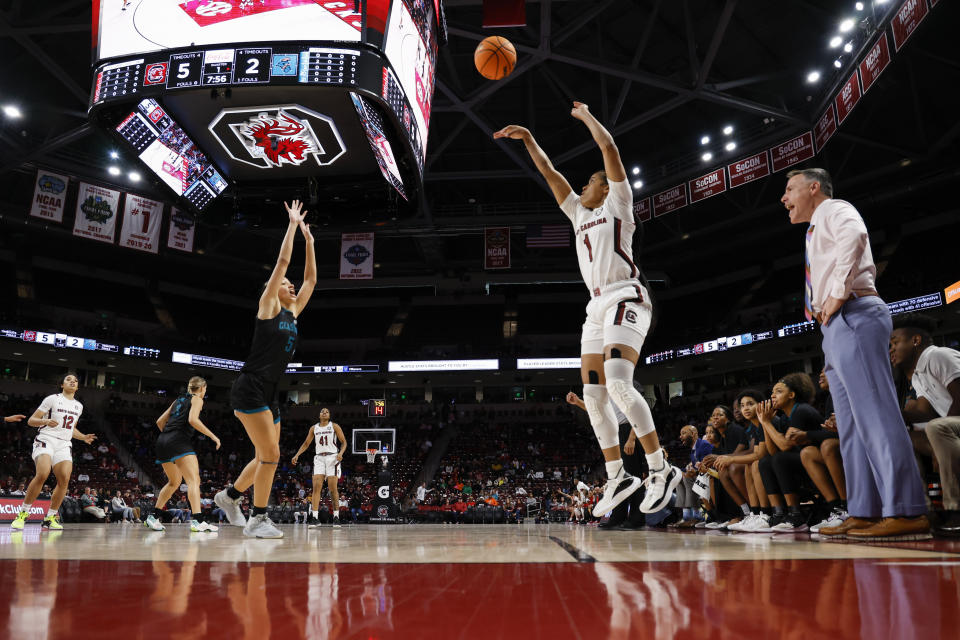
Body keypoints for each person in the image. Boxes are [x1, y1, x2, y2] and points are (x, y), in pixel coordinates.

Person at [494, 102, 679, 516]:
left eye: (593, 181)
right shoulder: (578, 212)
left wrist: (586, 117)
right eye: (590, 183)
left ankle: (660, 468)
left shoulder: (619, 206)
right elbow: (549, 173)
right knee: (594, 398)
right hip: (595, 308)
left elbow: (609, 149)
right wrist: (527, 138)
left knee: (618, 384)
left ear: (607, 188)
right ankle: (618, 476)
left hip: (626, 295)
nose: (585, 186)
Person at [780, 168, 928, 540]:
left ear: (814, 188)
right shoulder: (814, 230)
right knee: (850, 427)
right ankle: (866, 509)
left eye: (789, 189)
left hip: (854, 311)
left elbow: (856, 236)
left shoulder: (834, 209)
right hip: (835, 324)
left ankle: (907, 510)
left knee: (876, 416)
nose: (784, 198)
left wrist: (839, 291)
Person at [214, 200, 316, 539]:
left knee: (265, 456)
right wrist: (291, 225)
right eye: (285, 283)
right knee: (270, 454)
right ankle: (258, 518)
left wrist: (311, 243)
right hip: (250, 385)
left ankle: (228, 498)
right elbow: (283, 262)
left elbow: (311, 281)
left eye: (289, 284)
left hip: (271, 389)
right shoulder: (269, 305)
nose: (290, 285)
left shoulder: (294, 311)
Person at [890, 314, 960, 537]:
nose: (890, 350)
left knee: (936, 428)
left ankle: (955, 509)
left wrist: (939, 441)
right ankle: (922, 511)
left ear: (915, 340)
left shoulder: (938, 355)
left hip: (950, 428)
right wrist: (883, 415)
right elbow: (924, 412)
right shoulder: (918, 375)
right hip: (950, 429)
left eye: (895, 343)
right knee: (900, 438)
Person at [11, 374, 96, 531]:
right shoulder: (52, 399)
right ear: (62, 385)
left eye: (75, 380)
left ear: (77, 387)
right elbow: (31, 420)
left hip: (63, 443)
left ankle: (50, 518)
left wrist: (83, 437)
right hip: (46, 438)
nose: (72, 381)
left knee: (64, 479)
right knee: (43, 473)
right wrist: (45, 421)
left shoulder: (79, 406)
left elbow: (71, 429)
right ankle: (22, 514)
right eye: (68, 379)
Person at [145, 376, 221, 533]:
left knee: (174, 482)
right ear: (201, 388)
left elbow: (160, 422)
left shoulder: (178, 400)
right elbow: (193, 420)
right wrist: (213, 436)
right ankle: (197, 521)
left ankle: (153, 517)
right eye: (205, 389)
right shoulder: (198, 400)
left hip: (162, 440)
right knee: (194, 480)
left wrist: (169, 437)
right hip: (178, 441)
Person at [292, 407, 347, 528]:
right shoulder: (314, 428)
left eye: (327, 411)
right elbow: (306, 443)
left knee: (333, 489)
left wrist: (340, 453)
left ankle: (336, 517)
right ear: (319, 415)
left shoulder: (334, 426)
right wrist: (297, 454)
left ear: (329, 415)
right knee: (316, 488)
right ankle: (315, 518)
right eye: (322, 411)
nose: (324, 412)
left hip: (332, 458)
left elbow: (344, 442)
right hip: (319, 459)